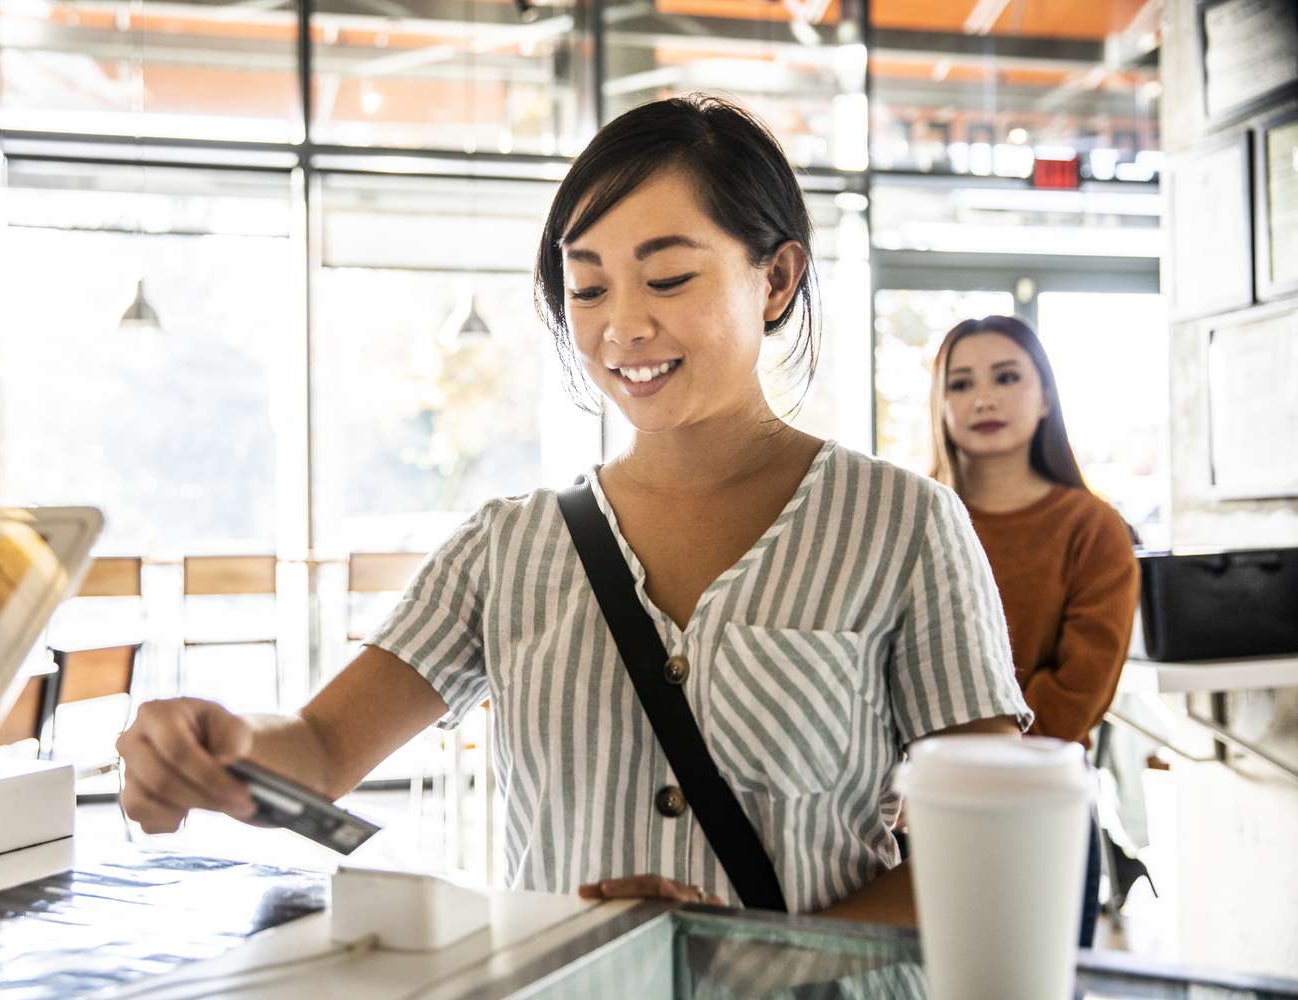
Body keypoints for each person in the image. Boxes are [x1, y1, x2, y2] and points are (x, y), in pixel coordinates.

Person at [116, 95, 1030, 924]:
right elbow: (320, 747)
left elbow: (988, 851)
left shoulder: (902, 525)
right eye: (586, 287)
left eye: (668, 279)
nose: (620, 327)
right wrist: (221, 747)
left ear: (778, 279)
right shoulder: (507, 547)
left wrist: (747, 953)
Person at [927, 314, 1140, 945]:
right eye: (961, 383)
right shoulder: (909, 516)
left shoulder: (1093, 527)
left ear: (1045, 396)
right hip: (910, 819)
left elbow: (1080, 691)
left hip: (1038, 814)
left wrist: (959, 761)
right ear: (940, 405)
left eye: (1007, 377)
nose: (984, 397)